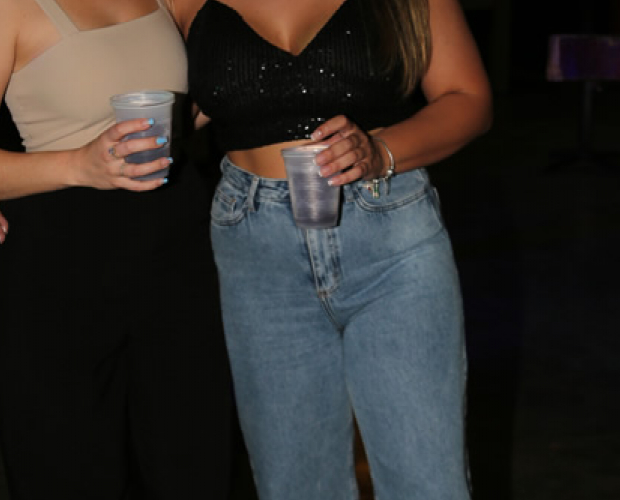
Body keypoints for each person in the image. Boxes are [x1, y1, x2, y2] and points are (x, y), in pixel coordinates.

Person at [168, 0, 490, 499]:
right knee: (295, 484)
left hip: (391, 236)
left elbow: (467, 97)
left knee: (427, 482)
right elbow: (159, 102)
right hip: (257, 251)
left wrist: (379, 151)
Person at [0, 0, 239, 498]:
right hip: (58, 268)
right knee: (67, 472)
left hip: (178, 253)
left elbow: (212, 92)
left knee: (195, 467)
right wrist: (75, 164)